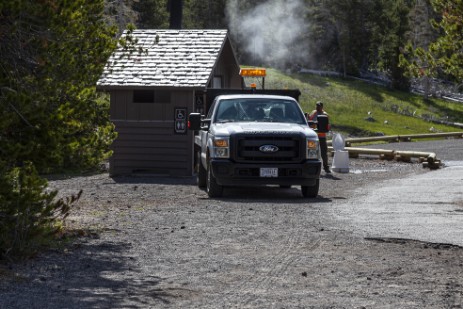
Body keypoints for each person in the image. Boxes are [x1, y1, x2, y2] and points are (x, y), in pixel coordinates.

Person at [308, 101, 331, 173]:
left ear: (322, 107)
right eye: (317, 106)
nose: (317, 107)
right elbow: (310, 120)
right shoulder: (314, 112)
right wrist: (307, 116)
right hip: (314, 135)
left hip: (321, 136)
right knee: (311, 151)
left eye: (319, 106)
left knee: (323, 152)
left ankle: (326, 167)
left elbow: (328, 126)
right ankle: (310, 167)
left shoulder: (325, 115)